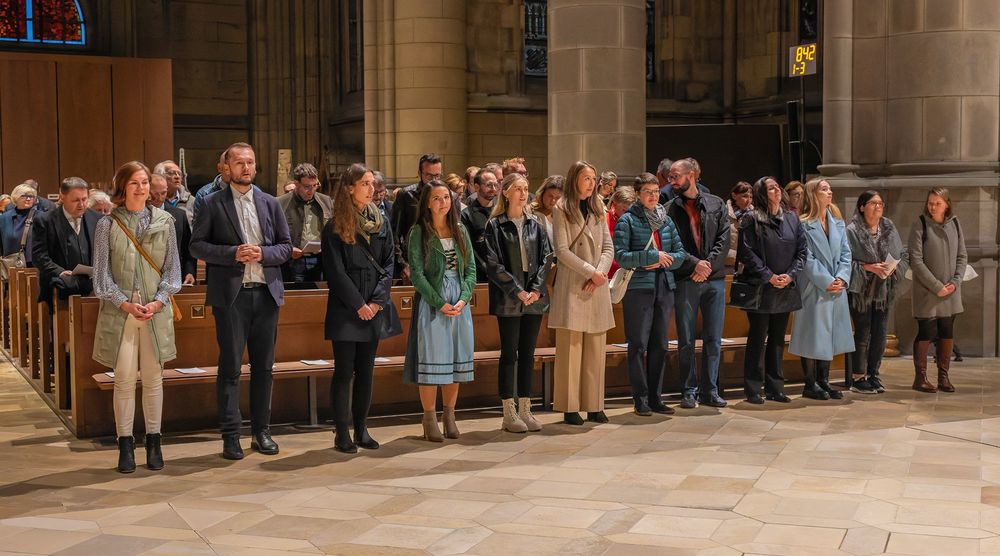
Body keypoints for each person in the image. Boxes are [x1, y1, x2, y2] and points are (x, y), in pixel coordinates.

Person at [190, 142, 293, 460]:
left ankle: (262, 431)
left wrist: (263, 253)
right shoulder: (211, 203)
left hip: (266, 293)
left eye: (250, 162)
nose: (245, 168)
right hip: (231, 296)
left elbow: (286, 247)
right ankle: (231, 436)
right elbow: (197, 246)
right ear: (226, 167)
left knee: (264, 368)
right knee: (231, 367)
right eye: (239, 162)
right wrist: (232, 253)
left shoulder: (270, 203)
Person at [92, 161, 181, 473]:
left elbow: (173, 272)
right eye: (134, 183)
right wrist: (125, 304)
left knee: (154, 380)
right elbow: (101, 279)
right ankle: (125, 445)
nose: (141, 188)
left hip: (155, 310)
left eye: (145, 183)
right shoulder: (107, 224)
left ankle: (154, 443)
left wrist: (158, 302)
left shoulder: (166, 221)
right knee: (125, 381)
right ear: (122, 188)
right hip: (123, 311)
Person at [322, 163, 400, 453]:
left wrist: (377, 301)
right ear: (350, 188)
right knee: (344, 372)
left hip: (374, 308)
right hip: (347, 309)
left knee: (366, 371)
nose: (371, 189)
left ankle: (362, 428)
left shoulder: (382, 222)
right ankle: (342, 432)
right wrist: (359, 304)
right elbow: (335, 272)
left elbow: (390, 262)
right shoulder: (335, 226)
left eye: (372, 184)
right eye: (365, 184)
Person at [403, 180, 475, 442]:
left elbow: (471, 269)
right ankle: (429, 417)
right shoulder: (419, 232)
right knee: (434, 361)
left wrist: (464, 298)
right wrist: (438, 302)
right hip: (433, 302)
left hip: (458, 302)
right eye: (437, 198)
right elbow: (418, 275)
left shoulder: (459, 230)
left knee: (455, 360)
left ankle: (450, 415)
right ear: (427, 203)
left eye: (446, 197)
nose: (443, 202)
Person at [483, 173, 553, 433]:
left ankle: (526, 408)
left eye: (526, 189)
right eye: (518, 189)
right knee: (509, 353)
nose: (524, 194)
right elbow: (493, 264)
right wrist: (517, 291)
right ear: (506, 192)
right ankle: (508, 412)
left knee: (528, 354)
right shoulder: (496, 225)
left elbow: (547, 258)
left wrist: (535, 290)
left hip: (533, 297)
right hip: (509, 297)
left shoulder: (536, 223)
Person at [549, 160, 615, 425]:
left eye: (593, 178)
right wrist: (591, 272)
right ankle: (569, 406)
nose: (591, 183)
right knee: (571, 349)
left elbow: (608, 247)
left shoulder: (599, 207)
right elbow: (562, 250)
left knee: (596, 350)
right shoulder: (562, 208)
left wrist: (600, 275)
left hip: (596, 287)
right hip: (574, 285)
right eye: (587, 178)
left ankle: (594, 405)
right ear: (574, 179)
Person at [613, 173, 686, 415]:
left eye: (656, 191)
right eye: (648, 191)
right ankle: (640, 399)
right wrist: (652, 257)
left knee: (661, 346)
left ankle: (656, 397)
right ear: (638, 194)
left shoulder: (666, 220)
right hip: (638, 288)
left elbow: (680, 254)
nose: (653, 196)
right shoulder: (627, 221)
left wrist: (667, 260)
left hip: (664, 286)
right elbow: (621, 256)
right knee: (638, 345)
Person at [736, 177, 807, 404]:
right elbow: (747, 253)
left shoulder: (792, 219)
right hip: (761, 287)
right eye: (770, 188)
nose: (776, 190)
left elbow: (802, 251)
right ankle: (754, 388)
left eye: (777, 187)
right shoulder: (751, 219)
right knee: (758, 338)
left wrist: (790, 275)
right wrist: (769, 276)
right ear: (761, 194)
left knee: (777, 339)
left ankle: (776, 387)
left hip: (785, 286)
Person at [666, 158, 730, 408]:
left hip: (713, 280)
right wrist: (696, 265)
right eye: (670, 177)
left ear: (691, 175)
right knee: (686, 339)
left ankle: (710, 390)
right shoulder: (670, 208)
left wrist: (708, 266)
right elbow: (673, 244)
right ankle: (688, 391)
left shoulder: (716, 203)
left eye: (675, 176)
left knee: (714, 338)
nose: (671, 181)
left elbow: (724, 239)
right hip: (687, 279)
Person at [789, 178, 854, 400]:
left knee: (830, 334)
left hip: (836, 287)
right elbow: (806, 258)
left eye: (829, 188)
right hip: (815, 287)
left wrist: (842, 278)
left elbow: (847, 254)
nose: (830, 192)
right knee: (812, 334)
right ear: (813, 194)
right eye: (824, 189)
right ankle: (810, 383)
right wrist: (826, 280)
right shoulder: (803, 223)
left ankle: (824, 381)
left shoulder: (837, 222)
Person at [846, 190, 907, 394]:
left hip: (883, 290)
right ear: (862, 207)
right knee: (863, 333)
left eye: (880, 203)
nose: (878, 206)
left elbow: (902, 254)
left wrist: (893, 268)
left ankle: (873, 374)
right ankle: (858, 376)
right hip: (861, 290)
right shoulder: (852, 230)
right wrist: (869, 267)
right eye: (873, 203)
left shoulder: (889, 227)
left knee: (880, 333)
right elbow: (846, 261)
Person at [909, 187, 966, 393]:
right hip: (927, 291)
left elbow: (962, 256)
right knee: (926, 331)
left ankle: (944, 377)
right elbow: (915, 260)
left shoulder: (955, 224)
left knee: (946, 331)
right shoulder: (920, 224)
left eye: (937, 203)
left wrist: (955, 282)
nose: (932, 206)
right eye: (930, 202)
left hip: (950, 291)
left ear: (947, 204)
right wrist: (937, 286)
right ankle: (920, 378)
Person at [31, 177, 101, 309]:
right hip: (58, 290)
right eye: (75, 200)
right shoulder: (45, 220)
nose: (81, 204)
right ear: (62, 197)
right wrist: (60, 272)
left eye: (84, 199)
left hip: (93, 289)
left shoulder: (98, 219)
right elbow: (39, 256)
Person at [277, 163, 334, 283]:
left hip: (321, 260)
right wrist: (288, 250)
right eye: (307, 187)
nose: (311, 191)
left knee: (321, 298)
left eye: (315, 185)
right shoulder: (280, 203)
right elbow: (272, 234)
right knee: (298, 297)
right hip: (294, 260)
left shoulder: (326, 201)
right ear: (297, 184)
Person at [391, 153, 442, 280]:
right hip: (414, 260)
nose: (433, 180)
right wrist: (402, 263)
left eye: (437, 175)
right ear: (420, 173)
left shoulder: (449, 197)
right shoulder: (406, 195)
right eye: (429, 175)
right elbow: (394, 233)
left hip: (441, 260)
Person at [148, 174, 197, 285]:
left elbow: (187, 249)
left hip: (173, 278)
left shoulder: (179, 215)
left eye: (163, 193)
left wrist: (189, 272)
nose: (160, 198)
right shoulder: (138, 215)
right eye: (155, 194)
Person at [461, 168, 499, 283]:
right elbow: (469, 249)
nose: (493, 189)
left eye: (495, 185)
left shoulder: (501, 212)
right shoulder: (466, 215)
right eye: (489, 185)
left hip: (503, 275)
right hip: (480, 276)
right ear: (477, 187)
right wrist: (488, 271)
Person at [0, 183, 40, 266]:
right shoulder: (4, 218)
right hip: (11, 265)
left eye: (31, 196)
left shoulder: (41, 217)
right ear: (16, 197)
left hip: (36, 265)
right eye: (24, 196)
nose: (28, 199)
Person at [190, 151, 231, 222]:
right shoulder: (204, 194)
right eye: (227, 165)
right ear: (219, 168)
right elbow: (200, 230)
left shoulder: (252, 191)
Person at [605, 186, 635, 280]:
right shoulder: (604, 219)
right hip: (607, 274)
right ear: (614, 204)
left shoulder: (635, 220)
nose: (628, 215)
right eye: (624, 211)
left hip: (627, 275)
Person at [726, 181, 753, 269]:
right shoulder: (723, 213)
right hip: (727, 264)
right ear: (734, 196)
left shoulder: (755, 215)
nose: (748, 200)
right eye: (745, 196)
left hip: (748, 266)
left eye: (751, 197)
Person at [530, 175, 563, 245]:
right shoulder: (532, 214)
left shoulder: (566, 215)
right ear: (542, 194)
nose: (553, 201)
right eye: (550, 196)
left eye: (557, 197)